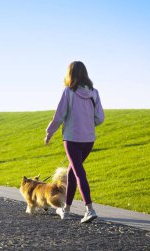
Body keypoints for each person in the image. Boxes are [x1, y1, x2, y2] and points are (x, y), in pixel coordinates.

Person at [44, 61, 104, 223]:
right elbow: (100, 118)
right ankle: (67, 209)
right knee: (72, 171)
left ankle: (89, 209)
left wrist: (49, 134)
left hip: (71, 139)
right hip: (88, 140)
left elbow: (58, 117)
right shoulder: (94, 93)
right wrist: (87, 123)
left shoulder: (68, 92)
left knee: (78, 172)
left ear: (70, 74)